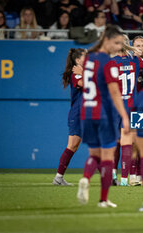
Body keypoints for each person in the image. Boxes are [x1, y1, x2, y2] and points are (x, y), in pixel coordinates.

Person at [76, 25, 130, 208]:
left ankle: (85, 178)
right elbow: (115, 93)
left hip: (87, 113)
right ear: (106, 39)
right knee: (107, 158)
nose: (118, 47)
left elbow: (85, 85)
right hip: (105, 114)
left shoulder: (89, 58)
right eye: (116, 43)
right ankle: (103, 199)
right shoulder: (109, 62)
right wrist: (125, 116)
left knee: (94, 156)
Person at [113, 33, 143, 186]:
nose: (140, 48)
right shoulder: (136, 61)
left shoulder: (111, 62)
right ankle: (125, 179)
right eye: (137, 45)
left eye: (142, 45)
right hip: (131, 105)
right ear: (130, 46)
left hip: (117, 106)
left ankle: (124, 176)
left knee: (126, 143)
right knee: (125, 143)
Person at [52, 48, 86, 185]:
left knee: (78, 146)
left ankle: (58, 178)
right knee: (72, 146)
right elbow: (87, 84)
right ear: (78, 60)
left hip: (87, 113)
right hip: (78, 114)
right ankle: (58, 178)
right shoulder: (76, 73)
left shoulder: (85, 72)